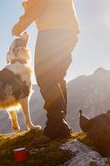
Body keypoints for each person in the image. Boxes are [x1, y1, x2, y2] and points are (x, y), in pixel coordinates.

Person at [12, 0, 80, 143]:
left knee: (46, 76)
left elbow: (37, 4)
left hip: (53, 31)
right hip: (68, 30)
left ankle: (55, 127)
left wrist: (18, 27)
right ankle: (60, 125)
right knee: (56, 77)